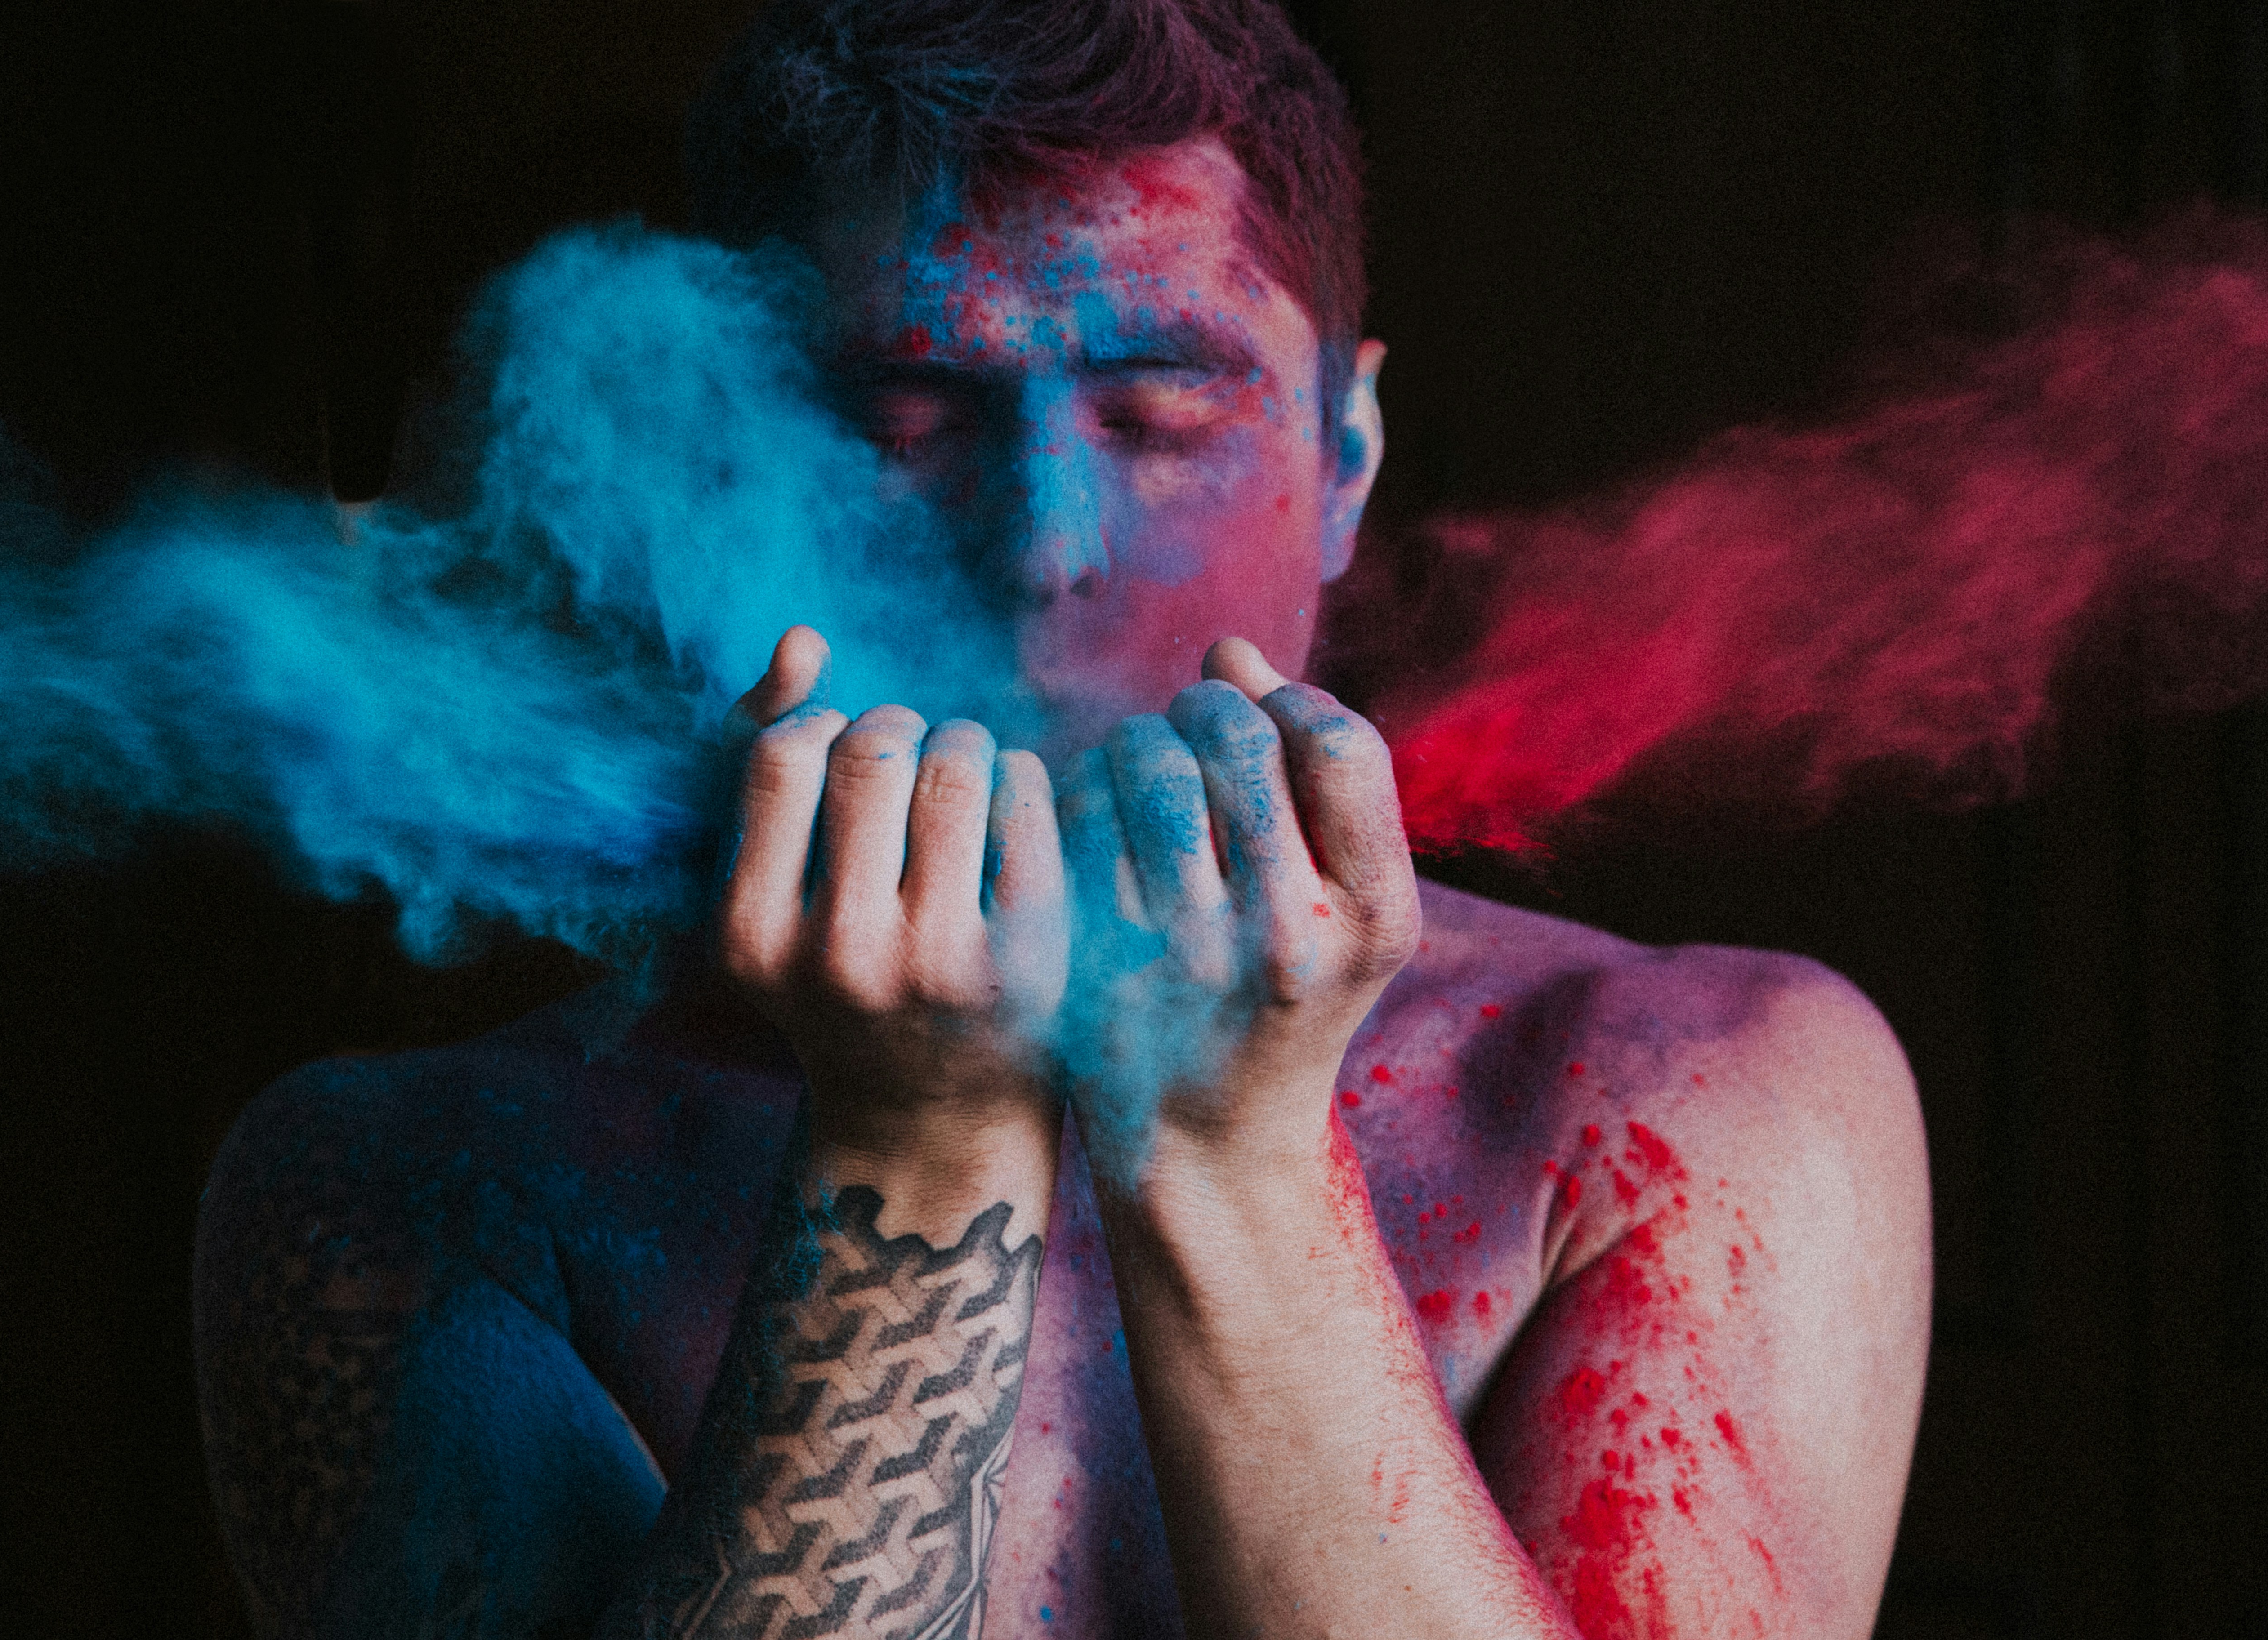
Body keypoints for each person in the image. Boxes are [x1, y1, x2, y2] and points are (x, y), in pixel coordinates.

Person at [192, 2, 1932, 1635]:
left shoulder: (1698, 1100)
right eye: (903, 420)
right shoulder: (409, 1191)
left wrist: (1229, 1151)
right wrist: (914, 1147)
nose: (1043, 547)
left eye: (1158, 417)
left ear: (1348, 455)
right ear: (731, 471)